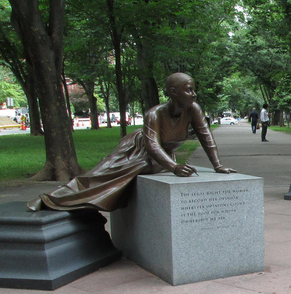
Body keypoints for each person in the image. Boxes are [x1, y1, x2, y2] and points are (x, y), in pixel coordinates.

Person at [28, 73, 236, 212]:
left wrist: (217, 165)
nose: (193, 94)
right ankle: (51, 198)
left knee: (140, 169)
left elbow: (206, 136)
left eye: (193, 89)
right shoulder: (154, 114)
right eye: (188, 90)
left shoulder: (194, 109)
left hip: (159, 157)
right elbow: (152, 144)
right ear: (173, 92)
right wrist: (173, 167)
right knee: (100, 175)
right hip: (137, 149)